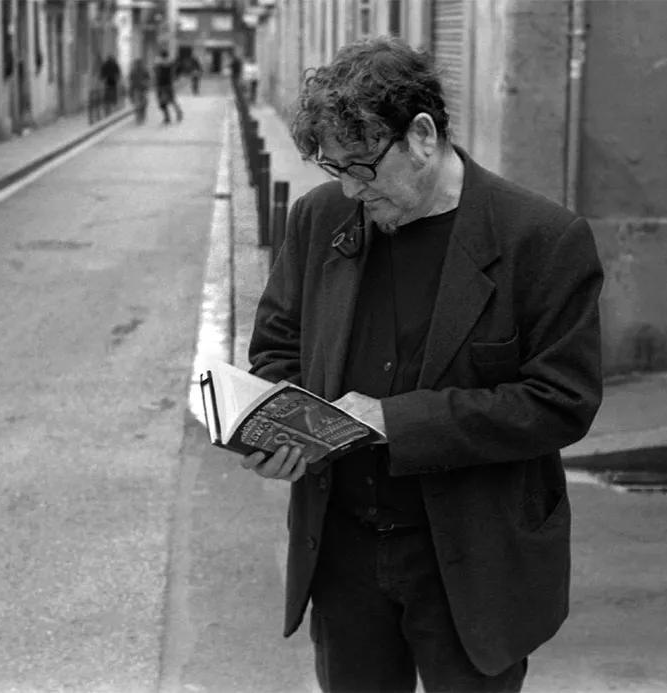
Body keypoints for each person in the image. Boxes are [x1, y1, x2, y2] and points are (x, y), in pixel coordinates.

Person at [242, 36, 603, 692]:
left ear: (422, 135)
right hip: (343, 555)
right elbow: (276, 348)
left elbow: (560, 400)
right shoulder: (320, 218)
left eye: (362, 167)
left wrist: (395, 421)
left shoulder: (542, 239)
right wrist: (280, 429)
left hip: (473, 561)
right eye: (334, 168)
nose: (350, 188)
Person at [153, 50, 183, 125]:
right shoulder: (171, 63)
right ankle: (178, 112)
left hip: (161, 85)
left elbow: (156, 74)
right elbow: (174, 73)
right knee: (172, 100)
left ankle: (167, 117)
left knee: (162, 102)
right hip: (168, 85)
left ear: (161, 56)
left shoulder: (158, 63)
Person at [128, 58, 150, 125]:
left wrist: (146, 84)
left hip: (143, 89)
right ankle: (138, 116)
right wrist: (130, 91)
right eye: (137, 64)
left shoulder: (144, 70)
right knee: (137, 104)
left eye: (139, 64)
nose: (138, 65)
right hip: (136, 89)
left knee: (143, 103)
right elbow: (131, 81)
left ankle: (141, 115)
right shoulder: (133, 71)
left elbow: (148, 79)